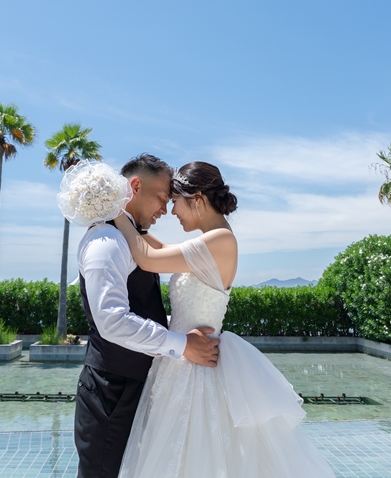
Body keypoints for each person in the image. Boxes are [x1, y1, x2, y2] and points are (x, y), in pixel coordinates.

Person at [113, 161, 335, 478]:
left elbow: (148, 259)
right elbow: (158, 247)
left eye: (176, 201)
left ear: (198, 199)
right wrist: (132, 221)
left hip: (196, 370)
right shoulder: (210, 240)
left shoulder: (221, 241)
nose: (173, 211)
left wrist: (115, 210)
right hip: (179, 362)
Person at [74, 154, 220, 478]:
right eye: (163, 198)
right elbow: (112, 320)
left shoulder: (129, 239)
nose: (165, 210)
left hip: (134, 387)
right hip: (110, 394)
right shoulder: (106, 242)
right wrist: (183, 346)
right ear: (136, 185)